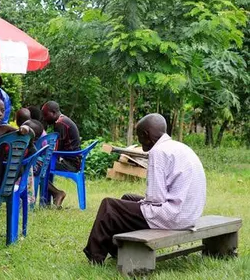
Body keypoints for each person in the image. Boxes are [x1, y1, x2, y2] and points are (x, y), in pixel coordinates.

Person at [83, 113, 207, 264]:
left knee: (109, 206)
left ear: (146, 134)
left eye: (139, 137)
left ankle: (94, 257)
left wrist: (142, 204)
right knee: (128, 198)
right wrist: (139, 204)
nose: (140, 143)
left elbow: (156, 198)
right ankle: (120, 249)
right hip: (189, 214)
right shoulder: (179, 147)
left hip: (173, 217)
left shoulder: (158, 151)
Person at [41, 101, 81, 207]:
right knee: (42, 165)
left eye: (45, 115)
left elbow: (57, 149)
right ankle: (48, 199)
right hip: (72, 161)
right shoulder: (63, 120)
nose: (44, 118)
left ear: (53, 112)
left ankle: (57, 193)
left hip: (70, 164)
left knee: (38, 167)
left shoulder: (60, 123)